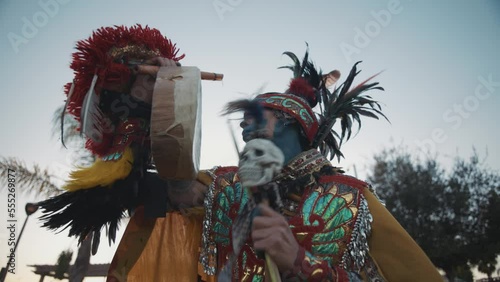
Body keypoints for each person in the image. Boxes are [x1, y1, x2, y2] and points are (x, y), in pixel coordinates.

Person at [37, 25, 442, 281]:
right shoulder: (224, 184)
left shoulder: (354, 197)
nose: (244, 125)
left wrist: (301, 262)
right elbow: (171, 183)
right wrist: (145, 100)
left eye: (255, 117)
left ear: (289, 122)